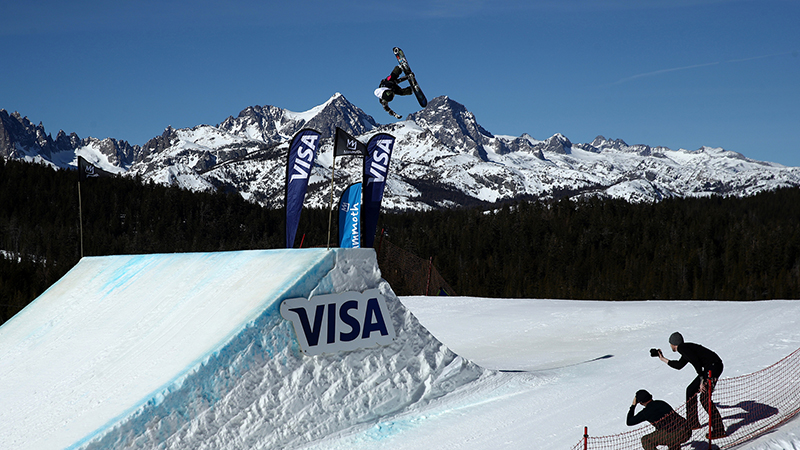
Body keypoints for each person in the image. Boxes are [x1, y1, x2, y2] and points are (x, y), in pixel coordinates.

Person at [657, 332, 726, 439]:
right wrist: (663, 359)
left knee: (704, 398)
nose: (670, 346)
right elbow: (679, 365)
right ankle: (692, 422)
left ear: (673, 343)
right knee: (690, 390)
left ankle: (719, 429)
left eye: (670, 344)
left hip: (713, 367)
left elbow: (696, 362)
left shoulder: (682, 348)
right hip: (710, 368)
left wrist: (702, 380)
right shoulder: (686, 349)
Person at [627, 389, 691, 450]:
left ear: (640, 403)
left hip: (675, 434)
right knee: (667, 434)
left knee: (646, 440)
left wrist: (633, 405)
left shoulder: (646, 412)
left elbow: (629, 422)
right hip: (687, 430)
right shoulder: (661, 403)